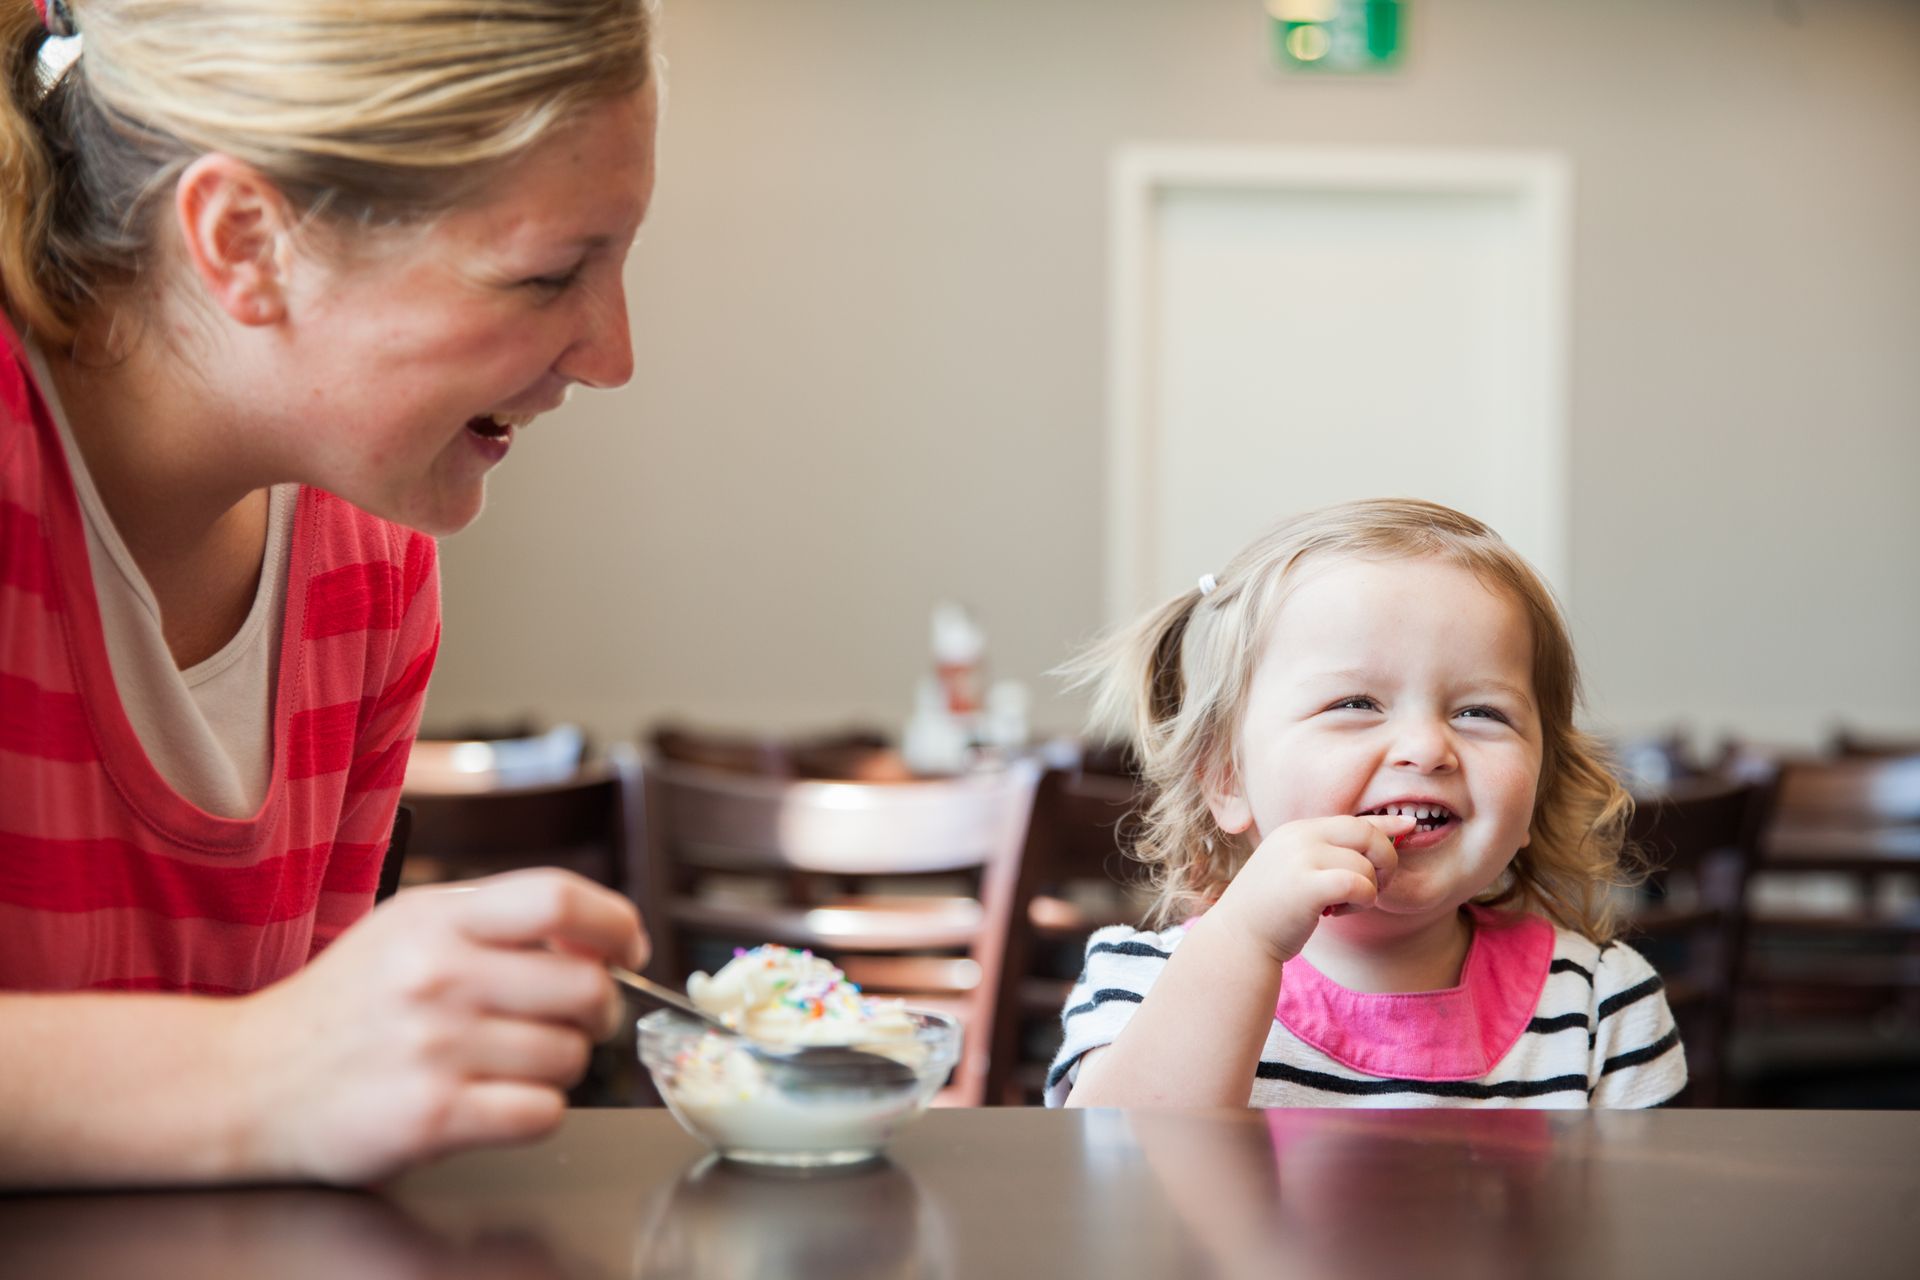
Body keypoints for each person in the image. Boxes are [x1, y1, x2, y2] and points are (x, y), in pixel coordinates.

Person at [0, 0, 660, 1186]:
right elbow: (277, 1084)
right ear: (245, 240)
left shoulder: (374, 572)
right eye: (549, 273)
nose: (611, 353)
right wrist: (257, 1067)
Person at [1051, 498, 1686, 1108]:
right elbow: (1119, 1181)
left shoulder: (1601, 1005)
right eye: (1355, 704)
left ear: (1539, 787)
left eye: (1480, 712)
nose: (1425, 748)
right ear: (1227, 779)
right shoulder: (1141, 984)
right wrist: (1244, 941)